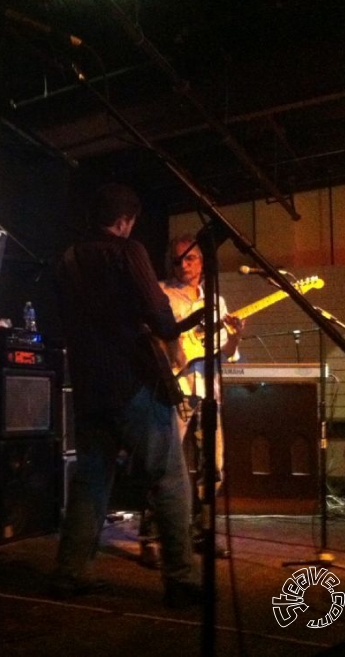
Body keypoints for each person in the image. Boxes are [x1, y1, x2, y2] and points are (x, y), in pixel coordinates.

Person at [52, 182, 206, 609]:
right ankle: (181, 580)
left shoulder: (67, 259)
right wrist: (194, 317)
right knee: (171, 479)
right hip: (132, 384)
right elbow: (160, 320)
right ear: (124, 221)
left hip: (88, 387)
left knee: (91, 482)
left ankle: (70, 573)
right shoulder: (128, 251)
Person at [139, 234, 245, 565]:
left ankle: (203, 532)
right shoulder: (159, 293)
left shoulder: (217, 301)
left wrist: (236, 335)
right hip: (174, 390)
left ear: (202, 262)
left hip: (208, 391)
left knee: (213, 467)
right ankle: (152, 536)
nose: (183, 265)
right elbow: (148, 341)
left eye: (190, 259)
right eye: (177, 259)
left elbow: (226, 353)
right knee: (164, 465)